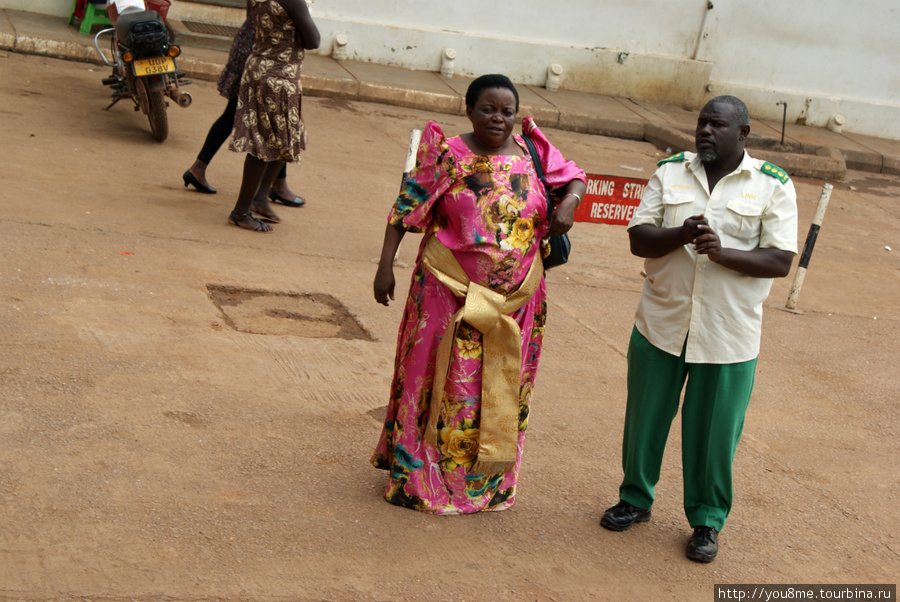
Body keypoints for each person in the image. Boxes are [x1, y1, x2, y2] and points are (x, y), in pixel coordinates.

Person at [371, 74, 587, 514]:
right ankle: (422, 480)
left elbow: (575, 178)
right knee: (437, 382)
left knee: (500, 387)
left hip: (517, 301)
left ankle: (485, 484)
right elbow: (404, 209)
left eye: (507, 111)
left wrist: (568, 203)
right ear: (469, 110)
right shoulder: (448, 155)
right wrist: (384, 267)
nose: (498, 118)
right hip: (445, 294)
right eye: (488, 109)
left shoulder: (532, 150)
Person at [599, 96, 798, 562]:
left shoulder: (772, 185)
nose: (706, 131)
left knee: (714, 432)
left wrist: (722, 252)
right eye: (702, 123)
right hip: (661, 321)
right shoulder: (669, 172)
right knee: (644, 419)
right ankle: (634, 499)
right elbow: (638, 237)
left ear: (743, 134)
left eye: (718, 125)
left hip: (728, 334)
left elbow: (780, 260)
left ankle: (707, 521)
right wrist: (682, 234)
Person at [182, 18, 303, 207]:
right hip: (266, 55)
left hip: (252, 45)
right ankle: (273, 189)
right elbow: (313, 39)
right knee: (276, 122)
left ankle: (199, 168)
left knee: (240, 115)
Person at [226, 0, 319, 232]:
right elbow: (314, 41)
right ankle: (240, 212)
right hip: (279, 76)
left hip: (259, 65)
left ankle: (259, 198)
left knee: (283, 139)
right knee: (265, 146)